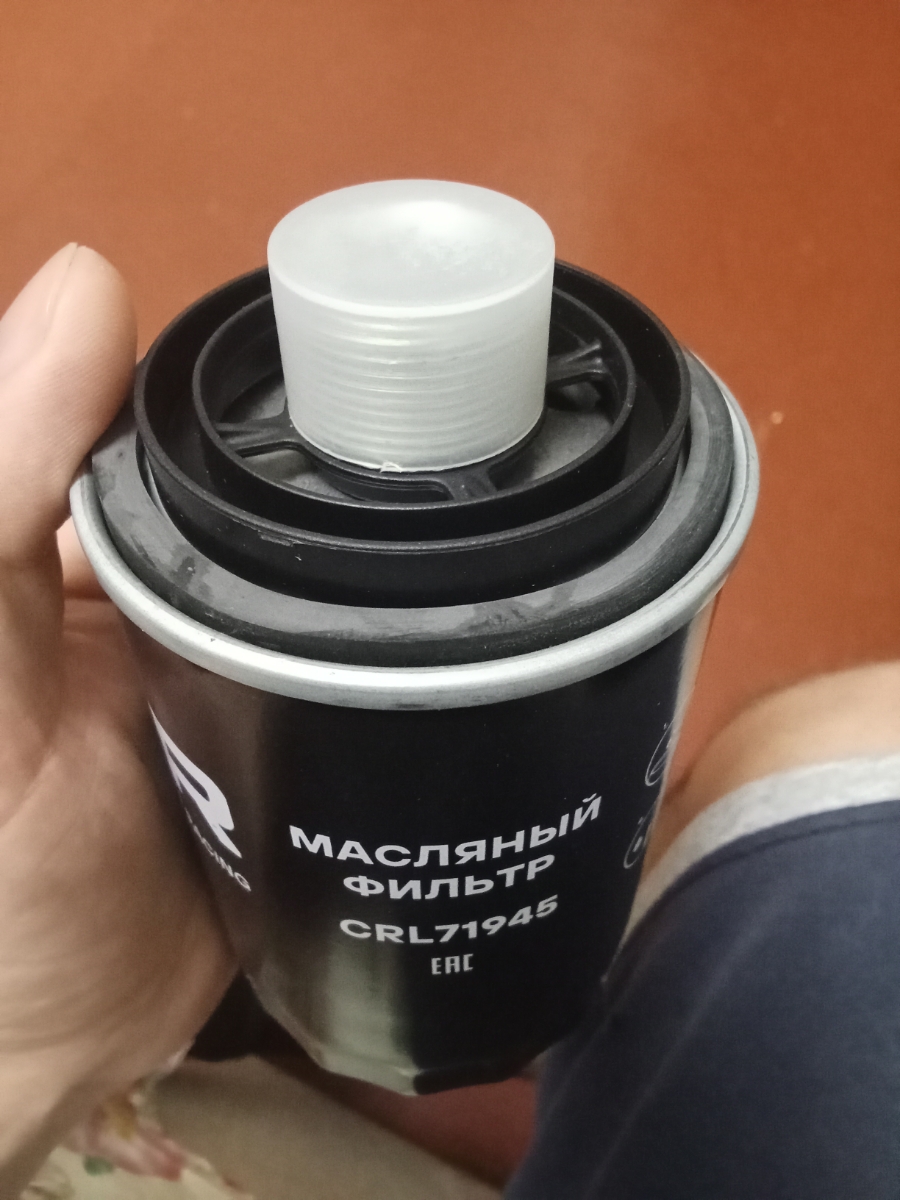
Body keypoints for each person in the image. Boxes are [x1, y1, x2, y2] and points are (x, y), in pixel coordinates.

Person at [1, 247, 898, 1199]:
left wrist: (24, 1055)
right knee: (816, 747)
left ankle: (567, 995)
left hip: (543, 969)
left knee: (804, 748)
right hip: (284, 968)